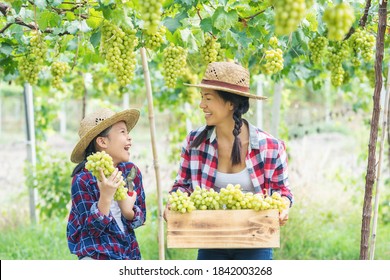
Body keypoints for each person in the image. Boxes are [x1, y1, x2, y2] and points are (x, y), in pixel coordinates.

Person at [164, 61, 293, 260]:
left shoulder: (270, 147)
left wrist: (283, 205)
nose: (201, 105)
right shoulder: (195, 142)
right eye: (201, 97)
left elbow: (282, 191)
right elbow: (183, 185)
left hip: (255, 239)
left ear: (230, 103)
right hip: (211, 237)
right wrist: (174, 201)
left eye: (208, 98)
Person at [67, 107, 146, 260]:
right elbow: (92, 231)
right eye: (122, 132)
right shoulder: (82, 180)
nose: (129, 138)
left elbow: (140, 219)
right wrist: (106, 197)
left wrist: (127, 210)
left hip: (128, 254)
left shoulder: (131, 172)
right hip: (97, 257)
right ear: (102, 141)